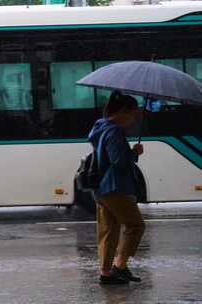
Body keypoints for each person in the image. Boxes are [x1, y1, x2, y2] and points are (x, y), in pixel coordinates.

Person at [88, 91, 146, 285]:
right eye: (131, 114)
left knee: (109, 230)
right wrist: (133, 153)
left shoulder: (101, 127)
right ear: (121, 111)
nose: (132, 119)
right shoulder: (114, 131)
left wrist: (130, 153)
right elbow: (119, 161)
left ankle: (106, 273)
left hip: (102, 188)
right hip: (115, 187)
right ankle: (119, 267)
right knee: (135, 225)